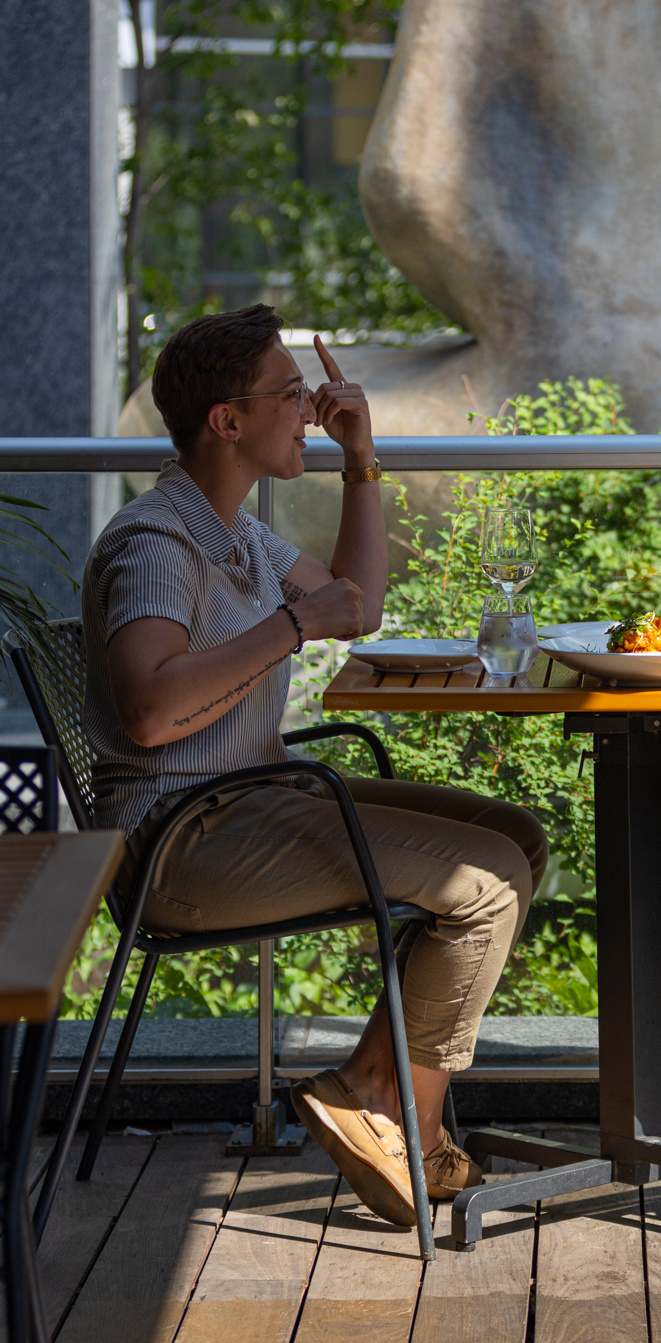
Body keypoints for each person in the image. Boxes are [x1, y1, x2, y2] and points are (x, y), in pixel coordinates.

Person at [82, 304, 548, 1227]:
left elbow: (358, 604)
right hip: (183, 841)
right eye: (291, 396)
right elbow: (147, 708)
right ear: (227, 420)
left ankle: (372, 1081)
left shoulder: (236, 534)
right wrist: (292, 625)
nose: (309, 410)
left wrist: (360, 454)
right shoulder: (158, 545)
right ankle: (399, 1122)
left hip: (246, 802)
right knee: (486, 882)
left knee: (513, 837)